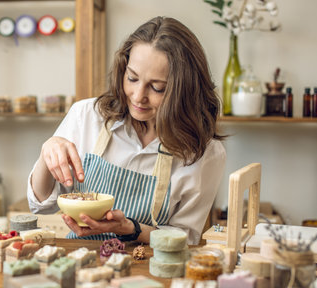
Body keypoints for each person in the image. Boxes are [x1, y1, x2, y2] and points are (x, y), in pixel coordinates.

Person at [27, 16, 226, 245]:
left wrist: (129, 228)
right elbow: (40, 204)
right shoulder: (87, 116)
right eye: (131, 78)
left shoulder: (204, 152)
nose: (138, 95)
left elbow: (184, 238)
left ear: (184, 91)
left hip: (148, 268)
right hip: (80, 258)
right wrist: (48, 150)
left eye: (157, 88)